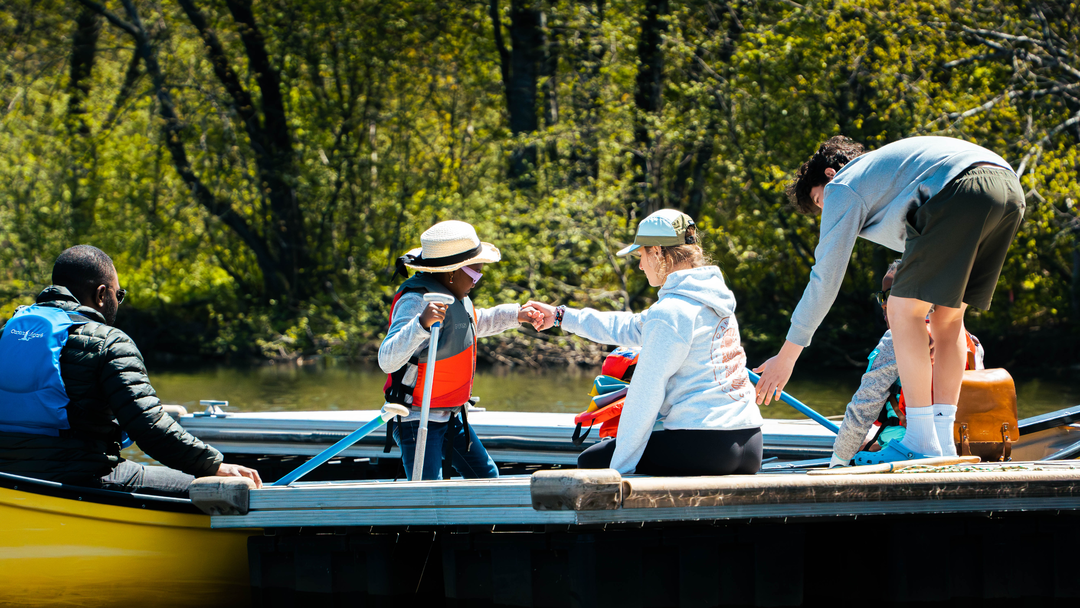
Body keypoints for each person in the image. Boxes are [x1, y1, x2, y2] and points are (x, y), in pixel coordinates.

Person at [755, 135, 1024, 463]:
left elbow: (825, 279)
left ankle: (921, 441)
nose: (827, 213)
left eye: (819, 201)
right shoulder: (889, 178)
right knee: (948, 318)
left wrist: (786, 357)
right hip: (1007, 188)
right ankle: (940, 441)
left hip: (960, 188)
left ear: (828, 175)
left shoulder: (843, 185)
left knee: (901, 309)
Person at [0, 245, 262, 496]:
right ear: (102, 294)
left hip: (8, 477)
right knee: (213, 488)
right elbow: (150, 429)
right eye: (119, 294)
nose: (118, 300)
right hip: (83, 475)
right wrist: (214, 466)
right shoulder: (110, 342)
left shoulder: (5, 335)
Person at [526, 209, 763, 476]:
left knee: (592, 461)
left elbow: (644, 397)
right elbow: (627, 326)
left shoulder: (671, 311)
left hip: (707, 445)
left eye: (641, 255)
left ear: (658, 253)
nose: (640, 265)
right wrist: (560, 316)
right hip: (751, 443)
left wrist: (619, 470)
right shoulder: (713, 299)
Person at [380, 220, 543, 480]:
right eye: (476, 272)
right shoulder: (415, 301)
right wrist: (421, 324)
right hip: (416, 419)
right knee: (425, 492)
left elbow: (475, 322)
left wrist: (517, 315)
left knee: (487, 476)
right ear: (452, 273)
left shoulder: (455, 295)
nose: (479, 279)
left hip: (450, 415)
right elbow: (387, 359)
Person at [830, 260, 985, 467]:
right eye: (881, 296)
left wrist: (838, 460)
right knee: (868, 442)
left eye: (890, 295)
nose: (884, 304)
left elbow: (863, 409)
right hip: (959, 445)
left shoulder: (896, 339)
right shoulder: (966, 341)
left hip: (910, 450)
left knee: (856, 446)